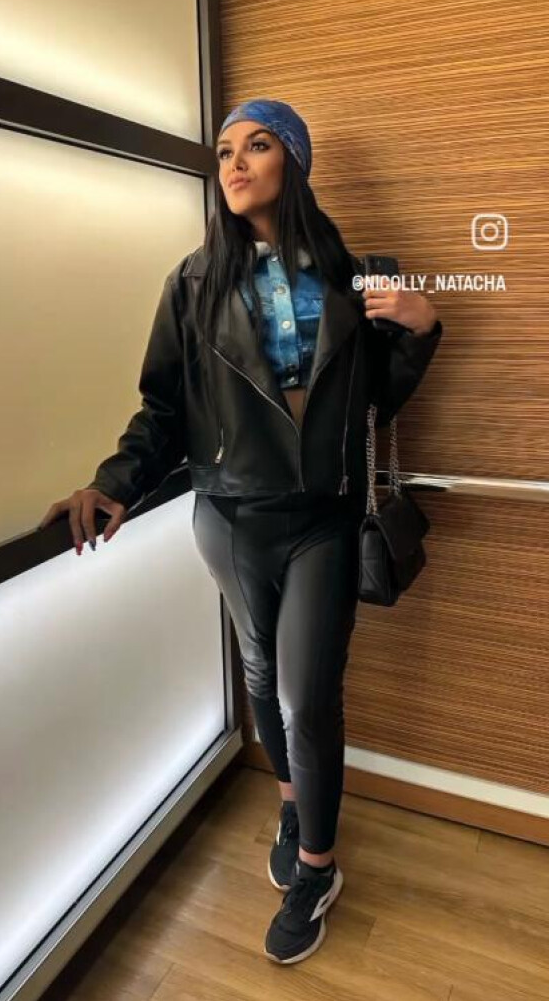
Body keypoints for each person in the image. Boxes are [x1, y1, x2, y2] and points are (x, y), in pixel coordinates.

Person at [38, 97, 442, 964]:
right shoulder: (192, 283)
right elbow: (162, 410)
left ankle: (317, 867)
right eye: (224, 151)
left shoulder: (353, 276)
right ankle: (293, 804)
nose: (235, 163)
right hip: (227, 516)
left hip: (324, 517)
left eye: (257, 145)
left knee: (308, 693)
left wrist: (420, 330)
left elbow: (375, 399)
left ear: (294, 161)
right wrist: (114, 484)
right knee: (260, 670)